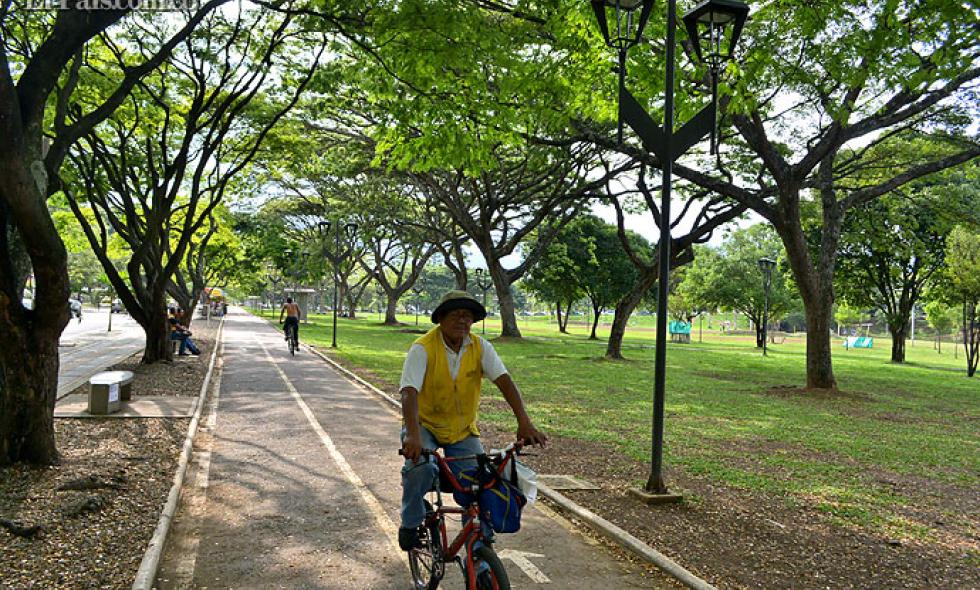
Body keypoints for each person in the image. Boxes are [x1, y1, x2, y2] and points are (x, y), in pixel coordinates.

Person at [398, 290, 548, 552]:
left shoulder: (480, 347)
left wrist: (524, 421)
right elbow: (409, 391)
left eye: (467, 317)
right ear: (441, 319)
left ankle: (479, 547)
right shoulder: (422, 348)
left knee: (480, 484)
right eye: (456, 315)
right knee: (419, 468)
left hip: (462, 429)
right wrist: (412, 435)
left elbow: (504, 381)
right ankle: (410, 523)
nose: (462, 321)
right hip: (425, 425)